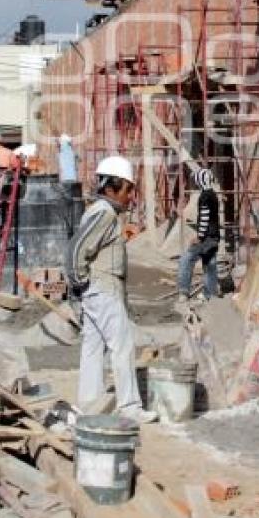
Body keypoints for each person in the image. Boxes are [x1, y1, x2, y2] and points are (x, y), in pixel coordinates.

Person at [68, 155, 156, 423]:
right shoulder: (104, 214)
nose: (130, 197)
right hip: (102, 288)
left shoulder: (101, 213)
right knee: (122, 346)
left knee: (93, 347)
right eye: (128, 190)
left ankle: (90, 401)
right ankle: (129, 406)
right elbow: (77, 250)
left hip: (96, 289)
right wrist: (80, 281)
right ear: (111, 188)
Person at [178, 168, 220, 302]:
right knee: (209, 264)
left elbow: (204, 218)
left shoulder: (204, 197)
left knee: (186, 260)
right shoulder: (213, 194)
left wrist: (199, 237)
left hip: (206, 238)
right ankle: (209, 293)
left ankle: (184, 292)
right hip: (214, 236)